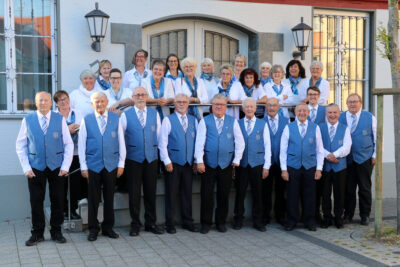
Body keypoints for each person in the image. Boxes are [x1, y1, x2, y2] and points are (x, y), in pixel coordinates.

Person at [16, 92, 74, 246]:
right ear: (36, 103)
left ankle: (56, 232)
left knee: (58, 200)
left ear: (51, 103)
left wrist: (65, 166)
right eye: (40, 100)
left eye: (46, 100)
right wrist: (26, 167)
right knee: (36, 201)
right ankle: (37, 233)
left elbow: (68, 143)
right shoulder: (27, 120)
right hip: (35, 167)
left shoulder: (60, 119)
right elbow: (20, 145)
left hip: (57, 167)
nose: (43, 103)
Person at [78, 92, 126, 241]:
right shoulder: (87, 120)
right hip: (93, 165)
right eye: (96, 102)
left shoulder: (116, 119)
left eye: (102, 101)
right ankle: (93, 229)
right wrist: (83, 166)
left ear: (107, 102)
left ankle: (108, 228)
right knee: (93, 199)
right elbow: (81, 144)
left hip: (111, 165)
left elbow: (121, 142)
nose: (99, 104)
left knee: (109, 198)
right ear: (92, 104)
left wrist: (121, 163)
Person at [195, 94, 245, 234]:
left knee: (223, 195)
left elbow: (240, 142)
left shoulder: (233, 121)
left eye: (222, 105)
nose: (219, 107)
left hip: (226, 164)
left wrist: (236, 160)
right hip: (208, 164)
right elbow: (199, 142)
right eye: (216, 104)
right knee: (207, 195)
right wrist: (199, 161)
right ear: (212, 107)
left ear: (225, 107)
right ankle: (206, 223)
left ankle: (220, 222)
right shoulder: (205, 121)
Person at [120, 87, 164, 236]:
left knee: (151, 192)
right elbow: (121, 138)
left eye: (143, 94)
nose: (140, 97)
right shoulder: (126, 115)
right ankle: (135, 224)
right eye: (137, 95)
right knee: (134, 193)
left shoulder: (154, 114)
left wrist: (159, 156)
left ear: (147, 96)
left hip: (151, 158)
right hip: (133, 159)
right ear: (133, 97)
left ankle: (150, 223)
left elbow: (159, 136)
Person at [158, 94, 199, 234]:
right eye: (179, 102)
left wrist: (195, 160)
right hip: (173, 163)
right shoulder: (168, 120)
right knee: (171, 193)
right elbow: (162, 143)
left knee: (187, 193)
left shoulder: (194, 120)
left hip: (188, 163)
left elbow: (197, 143)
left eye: (184, 102)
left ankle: (187, 221)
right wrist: (167, 161)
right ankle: (170, 224)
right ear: (174, 104)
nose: (181, 104)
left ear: (188, 104)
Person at [280, 103, 324, 231]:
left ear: (308, 113)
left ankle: (309, 221)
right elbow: (283, 150)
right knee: (292, 195)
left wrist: (319, 168)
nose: (302, 113)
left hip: (310, 166)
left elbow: (320, 150)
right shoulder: (289, 127)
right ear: (295, 112)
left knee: (310, 195)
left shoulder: (315, 127)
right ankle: (291, 221)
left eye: (305, 111)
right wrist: (284, 169)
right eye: (299, 111)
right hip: (292, 166)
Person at [233, 98, 271, 232]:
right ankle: (238, 219)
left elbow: (267, 145)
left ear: (255, 109)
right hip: (242, 164)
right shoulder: (237, 123)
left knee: (258, 193)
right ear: (243, 109)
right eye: (246, 107)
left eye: (251, 107)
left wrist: (267, 166)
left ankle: (258, 221)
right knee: (240, 193)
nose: (249, 109)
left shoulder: (263, 124)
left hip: (258, 163)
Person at [340, 93, 376, 225]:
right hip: (347, 159)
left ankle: (365, 215)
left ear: (360, 103)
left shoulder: (369, 117)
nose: (352, 104)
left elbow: (377, 137)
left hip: (365, 157)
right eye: (350, 102)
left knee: (364, 188)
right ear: (346, 104)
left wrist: (375, 155)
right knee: (348, 188)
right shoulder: (342, 116)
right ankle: (348, 214)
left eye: (355, 102)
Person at [54, 90, 85, 220]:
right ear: (56, 103)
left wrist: (79, 128)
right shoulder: (54, 116)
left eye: (66, 98)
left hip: (76, 153)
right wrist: (68, 129)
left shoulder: (77, 113)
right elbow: (53, 135)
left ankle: (72, 210)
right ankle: (61, 211)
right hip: (60, 155)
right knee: (60, 184)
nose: (65, 101)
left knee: (75, 184)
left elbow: (85, 129)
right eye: (61, 100)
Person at [320, 103, 352, 229]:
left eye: (335, 112)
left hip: (340, 167)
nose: (332, 115)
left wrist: (335, 155)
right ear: (326, 114)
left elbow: (347, 147)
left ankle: (339, 217)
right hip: (325, 167)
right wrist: (328, 155)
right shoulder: (320, 127)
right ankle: (327, 217)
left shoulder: (345, 128)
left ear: (339, 114)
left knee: (340, 193)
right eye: (329, 113)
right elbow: (318, 146)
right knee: (325, 193)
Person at [263, 97, 289, 225]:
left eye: (274, 105)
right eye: (269, 105)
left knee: (281, 191)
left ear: (279, 107)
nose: (272, 108)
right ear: (266, 107)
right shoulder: (261, 122)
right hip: (266, 163)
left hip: (281, 162)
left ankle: (280, 216)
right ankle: (265, 216)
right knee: (265, 191)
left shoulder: (286, 121)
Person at [306, 86, 326, 222]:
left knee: (319, 187)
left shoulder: (325, 111)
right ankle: (306, 214)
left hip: (321, 152)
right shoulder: (302, 109)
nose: (312, 96)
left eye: (315, 94)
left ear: (318, 96)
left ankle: (317, 213)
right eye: (310, 94)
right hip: (305, 153)